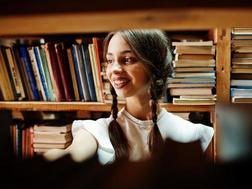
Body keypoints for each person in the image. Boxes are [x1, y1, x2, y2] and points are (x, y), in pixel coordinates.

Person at [44, 29, 214, 164]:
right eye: (110, 61)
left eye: (127, 59)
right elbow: (71, 155)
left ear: (154, 66)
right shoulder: (96, 131)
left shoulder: (193, 133)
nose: (114, 69)